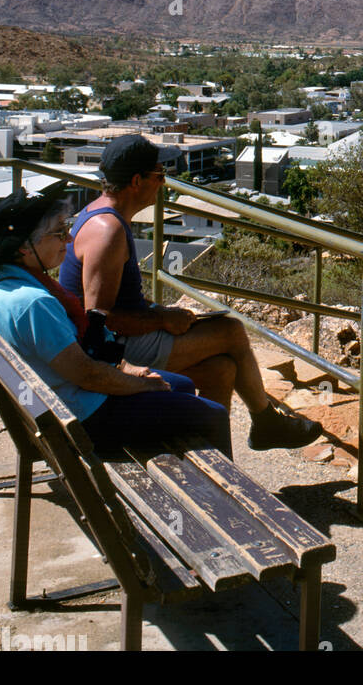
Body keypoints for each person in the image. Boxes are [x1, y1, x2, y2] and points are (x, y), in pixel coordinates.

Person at [58, 133, 319, 450]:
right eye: (160, 175)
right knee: (231, 331)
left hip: (114, 341)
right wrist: (162, 320)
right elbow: (100, 319)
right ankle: (267, 422)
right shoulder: (107, 231)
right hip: (111, 351)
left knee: (221, 370)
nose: (163, 182)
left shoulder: (100, 215)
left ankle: (218, 468)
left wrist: (158, 313)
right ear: (137, 181)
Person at [0, 184, 233, 457]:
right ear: (24, 248)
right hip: (83, 419)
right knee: (212, 415)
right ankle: (228, 497)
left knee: (180, 386)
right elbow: (87, 374)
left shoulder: (4, 285)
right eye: (58, 233)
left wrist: (128, 369)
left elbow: (80, 360)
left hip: (56, 405)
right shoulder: (33, 304)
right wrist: (144, 385)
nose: (67, 239)